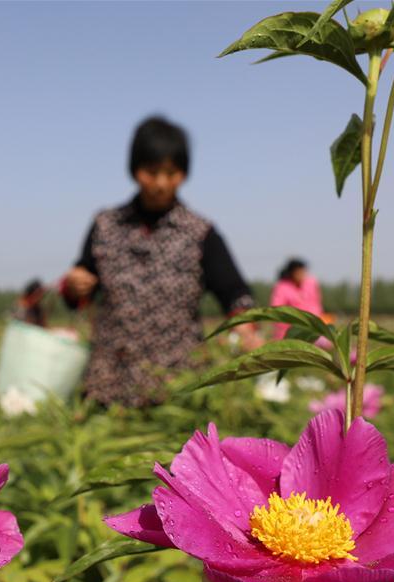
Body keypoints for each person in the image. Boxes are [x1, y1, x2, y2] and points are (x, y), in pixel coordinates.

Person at [61, 116, 258, 407]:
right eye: (151, 172)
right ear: (135, 169)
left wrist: (246, 329)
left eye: (172, 172)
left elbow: (233, 291)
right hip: (109, 385)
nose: (162, 183)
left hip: (177, 386)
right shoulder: (106, 226)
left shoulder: (199, 232)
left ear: (184, 173)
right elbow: (79, 288)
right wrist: (74, 285)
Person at [269, 258, 324, 340]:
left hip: (312, 327)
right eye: (298, 272)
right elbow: (277, 309)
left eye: (303, 272)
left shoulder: (311, 283)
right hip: (288, 330)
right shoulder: (282, 286)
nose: (301, 275)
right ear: (292, 273)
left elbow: (316, 304)